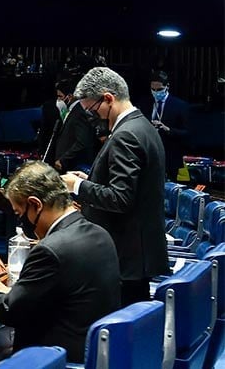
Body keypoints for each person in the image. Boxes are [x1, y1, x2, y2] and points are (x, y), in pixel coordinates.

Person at [0, 161, 121, 364]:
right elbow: (66, 296)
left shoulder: (50, 250)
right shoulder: (100, 234)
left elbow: (11, 311)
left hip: (53, 360)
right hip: (91, 354)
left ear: (35, 204)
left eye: (19, 213)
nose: (21, 222)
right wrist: (12, 292)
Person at [62, 66, 169, 306]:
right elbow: (132, 186)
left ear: (108, 98)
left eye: (92, 109)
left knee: (121, 330)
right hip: (137, 251)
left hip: (126, 254)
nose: (95, 116)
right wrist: (91, 181)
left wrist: (77, 185)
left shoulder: (126, 135)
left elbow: (121, 198)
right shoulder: (142, 126)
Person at [136, 70, 190, 180]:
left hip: (170, 157)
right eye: (153, 89)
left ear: (167, 86)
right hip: (148, 155)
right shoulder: (144, 103)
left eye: (159, 89)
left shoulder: (180, 106)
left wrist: (168, 129)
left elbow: (187, 133)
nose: (156, 92)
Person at [43, 75, 99, 173]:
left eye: (60, 96)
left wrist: (63, 159)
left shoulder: (79, 113)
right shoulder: (71, 111)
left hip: (74, 166)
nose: (58, 100)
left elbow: (82, 141)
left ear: (69, 96)